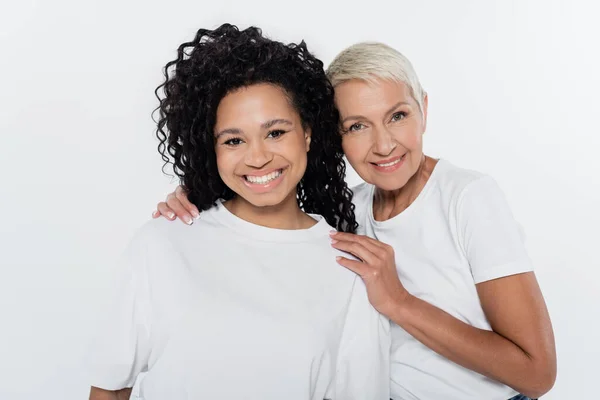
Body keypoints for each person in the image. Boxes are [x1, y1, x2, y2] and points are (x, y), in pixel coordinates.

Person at [156, 41, 556, 400]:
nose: (383, 145)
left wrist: (398, 301)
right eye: (357, 126)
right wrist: (200, 195)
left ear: (424, 111)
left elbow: (537, 375)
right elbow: (270, 207)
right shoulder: (347, 211)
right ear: (336, 136)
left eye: (397, 116)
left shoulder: (468, 198)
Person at [88, 24, 390, 400]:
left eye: (276, 132)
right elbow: (110, 390)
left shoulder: (349, 270)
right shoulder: (163, 243)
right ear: (211, 149)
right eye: (234, 140)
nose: (258, 157)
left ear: (307, 134)